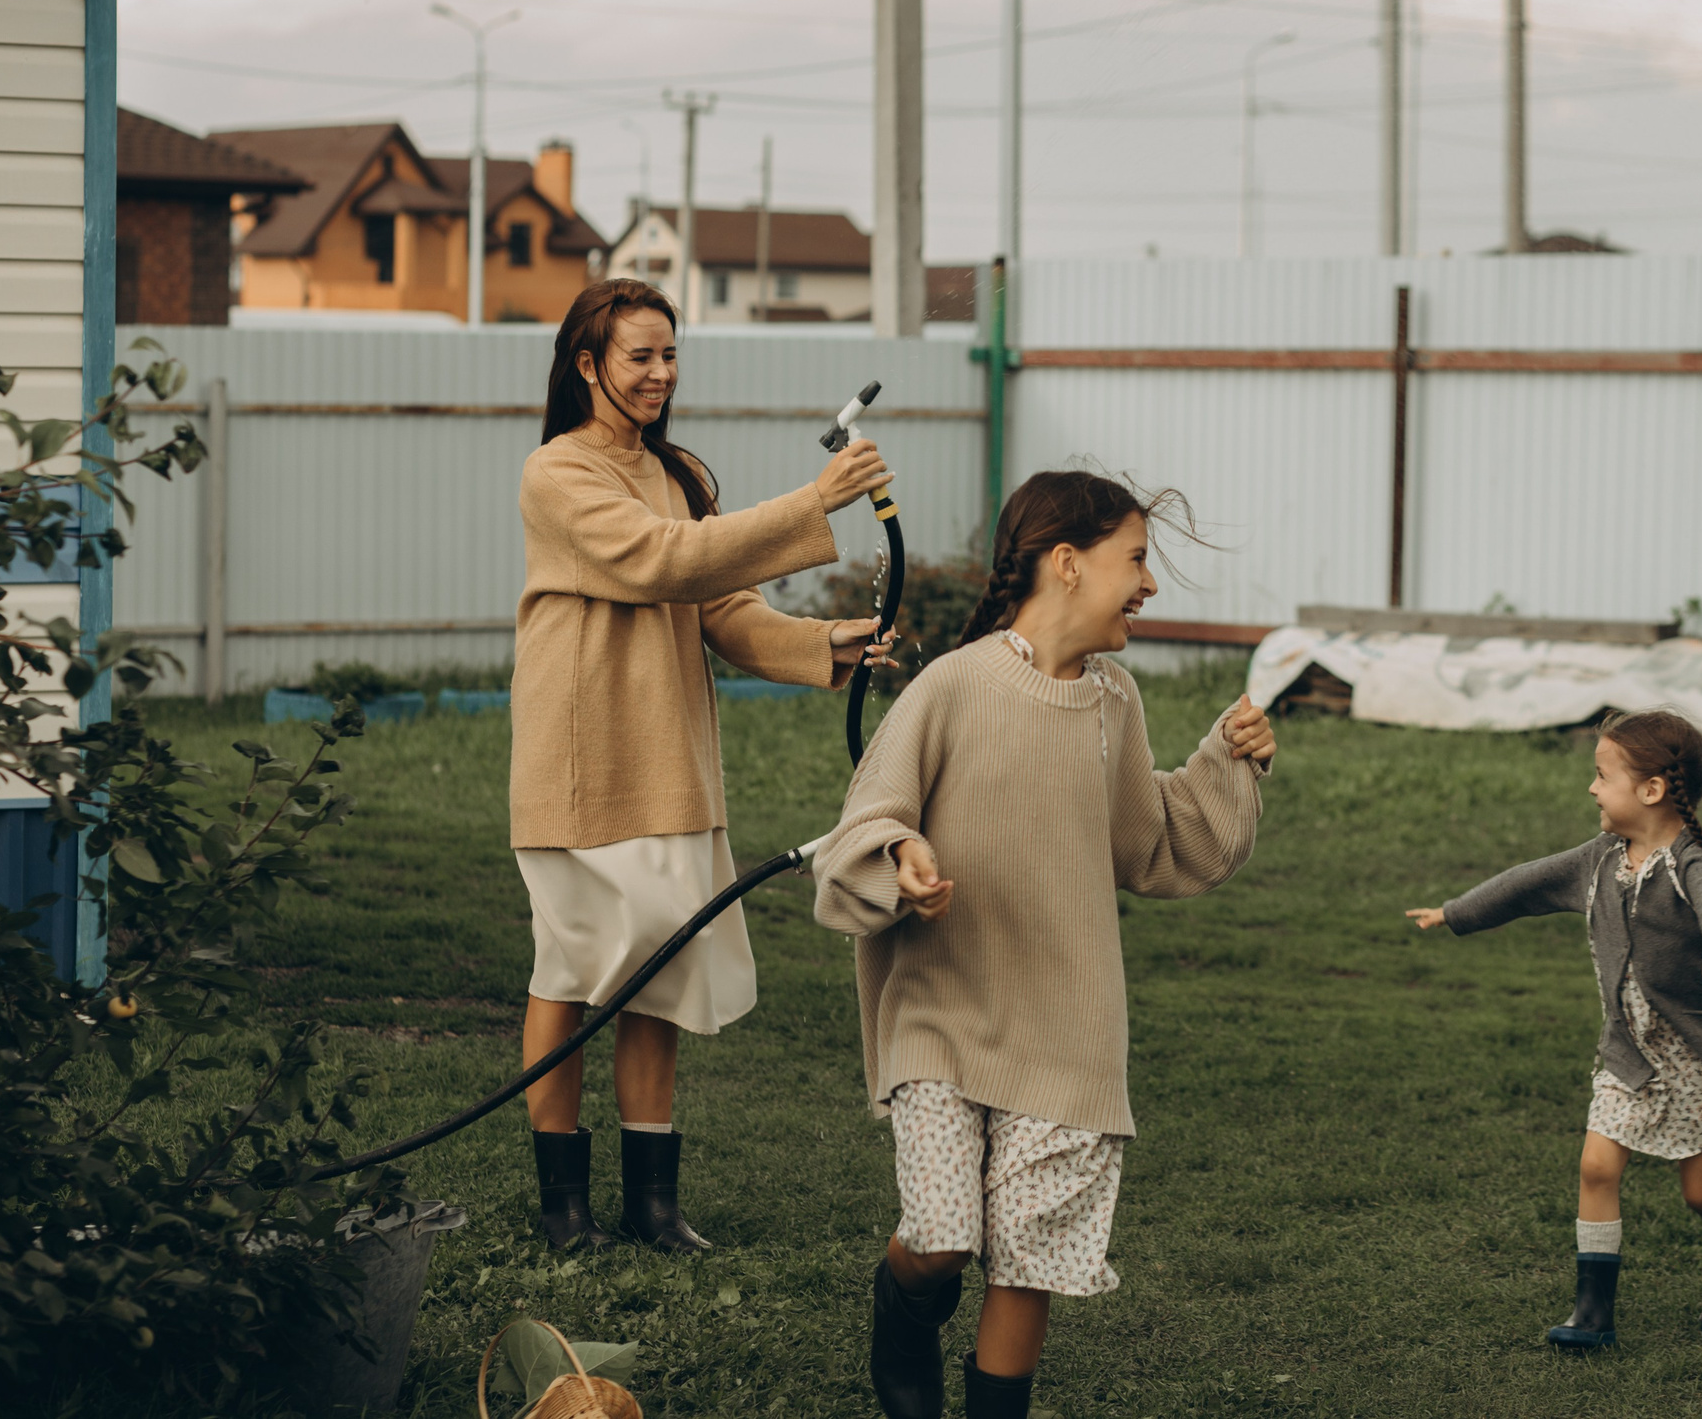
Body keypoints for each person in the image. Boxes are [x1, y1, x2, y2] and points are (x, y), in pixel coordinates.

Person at [809, 470, 1277, 1419]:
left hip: (1068, 1029)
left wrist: (1225, 757)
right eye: (1136, 560)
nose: (1148, 584)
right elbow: (870, 816)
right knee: (941, 1235)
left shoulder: (1114, 704)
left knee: (1029, 1254)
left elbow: (1146, 842)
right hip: (943, 1014)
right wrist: (900, 855)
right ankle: (901, 1311)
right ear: (1067, 564)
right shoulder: (953, 685)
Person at [512, 277, 889, 1254]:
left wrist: (826, 644)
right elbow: (660, 562)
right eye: (640, 355)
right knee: (568, 968)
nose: (660, 372)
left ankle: (651, 1205)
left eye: (670, 354)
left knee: (659, 975)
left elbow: (720, 607)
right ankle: (563, 1209)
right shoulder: (557, 473)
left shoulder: (677, 471)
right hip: (578, 769)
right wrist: (812, 503)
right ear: (588, 363)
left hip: (668, 764)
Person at [1405, 709, 1702, 1344]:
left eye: (1602, 776)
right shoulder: (1602, 858)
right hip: (1630, 1053)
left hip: (1696, 1056)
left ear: (1651, 790)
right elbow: (1530, 881)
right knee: (1598, 1168)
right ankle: (1592, 1313)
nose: (1591, 788)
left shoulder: (1688, 863)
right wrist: (1456, 912)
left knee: (1700, 1193)